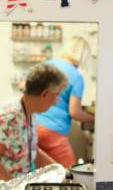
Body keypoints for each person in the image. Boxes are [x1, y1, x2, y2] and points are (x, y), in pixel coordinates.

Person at [0, 63, 66, 190]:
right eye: (56, 95)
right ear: (44, 94)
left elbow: (31, 150)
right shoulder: (11, 117)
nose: (56, 101)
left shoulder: (28, 112)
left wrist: (61, 171)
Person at [36, 36, 95, 168]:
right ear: (83, 55)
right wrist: (93, 118)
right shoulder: (76, 76)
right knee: (68, 174)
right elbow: (74, 112)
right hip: (53, 130)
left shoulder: (47, 64)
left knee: (40, 173)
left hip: (33, 126)